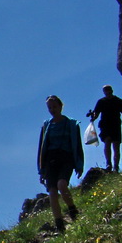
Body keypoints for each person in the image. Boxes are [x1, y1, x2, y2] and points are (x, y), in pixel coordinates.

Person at [37, 95, 84, 232]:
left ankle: (72, 209)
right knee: (52, 193)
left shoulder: (71, 124)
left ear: (60, 106)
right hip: (50, 160)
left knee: (62, 185)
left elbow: (78, 145)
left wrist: (79, 164)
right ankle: (59, 223)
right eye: (49, 107)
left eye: (54, 107)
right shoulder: (47, 126)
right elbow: (41, 148)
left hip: (66, 158)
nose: (52, 110)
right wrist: (41, 169)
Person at [88, 85, 122, 173]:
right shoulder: (101, 102)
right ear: (104, 92)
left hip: (115, 125)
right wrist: (93, 118)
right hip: (105, 125)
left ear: (111, 90)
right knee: (107, 142)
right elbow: (96, 113)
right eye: (106, 90)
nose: (107, 91)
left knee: (116, 145)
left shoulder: (118, 101)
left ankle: (116, 166)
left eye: (108, 90)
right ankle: (109, 164)